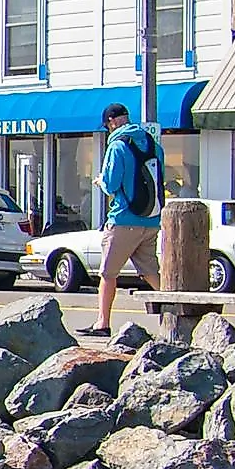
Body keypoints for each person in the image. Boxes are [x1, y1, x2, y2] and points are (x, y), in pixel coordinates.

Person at [92, 102, 164, 337]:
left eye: (107, 127)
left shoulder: (117, 146)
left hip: (123, 218)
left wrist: (100, 180)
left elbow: (112, 184)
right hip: (151, 219)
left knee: (108, 274)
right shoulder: (154, 144)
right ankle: (179, 312)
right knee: (151, 271)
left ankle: (102, 324)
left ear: (112, 122)